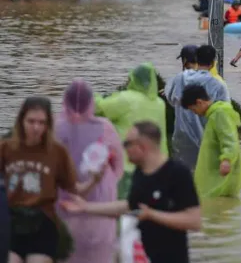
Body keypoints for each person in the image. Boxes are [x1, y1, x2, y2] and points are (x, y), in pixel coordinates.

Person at [60, 121, 202, 263]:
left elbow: (194, 221)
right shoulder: (140, 172)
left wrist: (153, 215)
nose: (123, 148)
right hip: (143, 256)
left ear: (142, 146)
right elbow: (130, 206)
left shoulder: (178, 173)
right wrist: (85, 207)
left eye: (127, 144)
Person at [3, 97, 105, 263]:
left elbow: (76, 190)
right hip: (12, 222)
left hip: (43, 223)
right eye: (31, 121)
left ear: (48, 124)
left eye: (42, 123)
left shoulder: (57, 152)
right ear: (21, 120)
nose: (36, 128)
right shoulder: (6, 148)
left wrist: (94, 180)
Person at [55, 80, 125, 263]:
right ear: (91, 103)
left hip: (63, 204)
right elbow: (119, 167)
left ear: (64, 102)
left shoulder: (53, 126)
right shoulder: (105, 127)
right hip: (99, 207)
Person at [95, 63, 168, 198]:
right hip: (157, 165)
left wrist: (97, 97)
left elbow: (99, 108)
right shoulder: (160, 103)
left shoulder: (126, 99)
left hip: (128, 164)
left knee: (124, 205)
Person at [166, 46, 230, 170]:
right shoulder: (218, 85)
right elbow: (226, 115)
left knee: (182, 181)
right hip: (206, 142)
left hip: (181, 139)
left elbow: (170, 99)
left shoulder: (180, 78)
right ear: (212, 64)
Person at [180, 85, 241, 198]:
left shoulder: (219, 114)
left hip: (220, 176)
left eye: (193, 109)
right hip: (216, 174)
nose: (195, 113)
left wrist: (226, 159)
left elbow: (229, 139)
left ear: (199, 102)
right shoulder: (214, 114)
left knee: (217, 209)